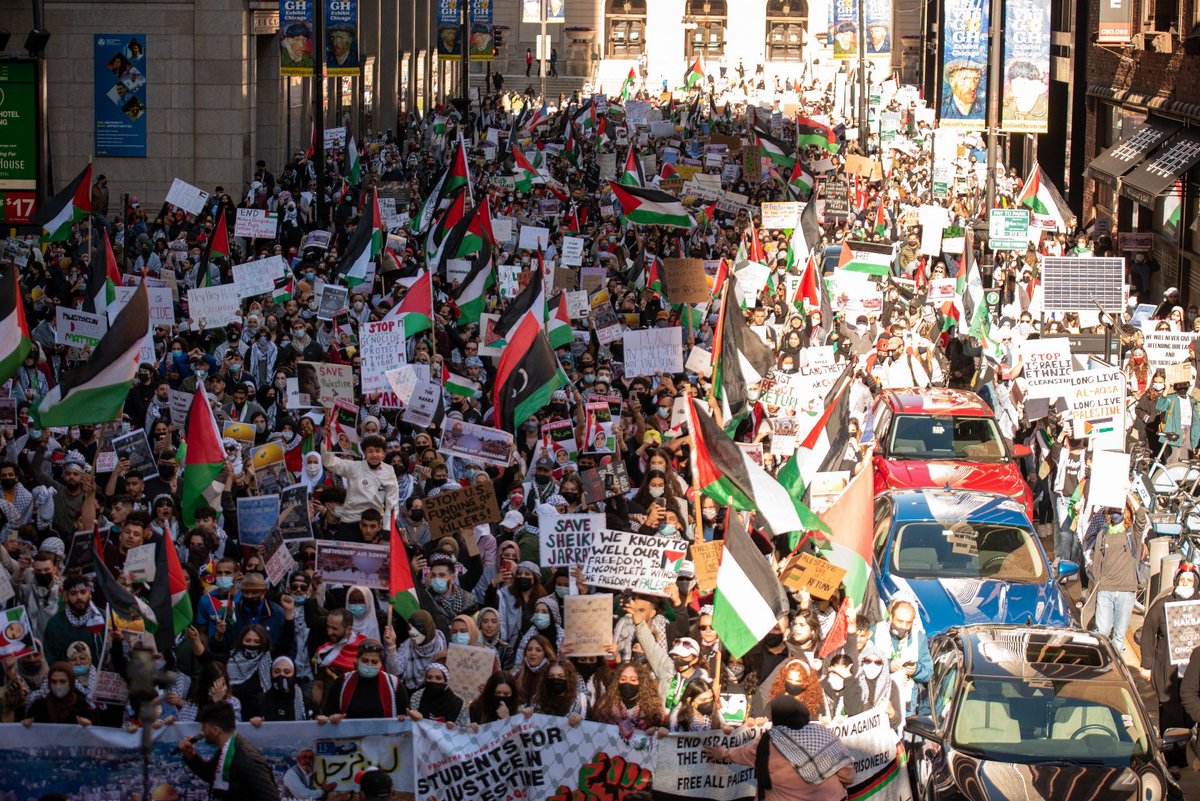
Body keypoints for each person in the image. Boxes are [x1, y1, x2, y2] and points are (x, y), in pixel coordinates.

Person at [702, 696, 854, 800]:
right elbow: (847, 773)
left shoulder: (768, 742)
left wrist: (722, 753)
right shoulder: (822, 733)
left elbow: (743, 754)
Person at [178, 701, 280, 800]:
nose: (202, 732)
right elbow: (212, 774)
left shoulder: (247, 759)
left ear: (216, 731)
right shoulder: (226, 751)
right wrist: (191, 756)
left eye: (204, 727)